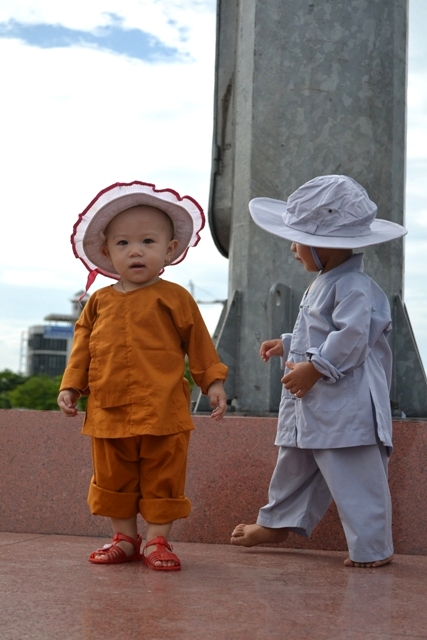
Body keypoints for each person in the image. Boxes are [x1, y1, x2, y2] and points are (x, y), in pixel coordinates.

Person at [230, 174, 407, 568]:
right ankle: (277, 522)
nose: (293, 248)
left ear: (327, 245)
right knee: (294, 464)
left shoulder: (355, 286)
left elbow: (353, 337)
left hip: (348, 409)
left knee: (356, 476)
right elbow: (320, 330)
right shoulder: (328, 281)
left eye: (297, 240)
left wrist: (316, 367)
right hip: (315, 404)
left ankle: (372, 547)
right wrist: (288, 344)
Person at [58, 181, 228, 571]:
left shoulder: (175, 297)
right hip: (108, 409)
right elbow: (81, 347)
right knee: (112, 477)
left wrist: (213, 382)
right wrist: (71, 385)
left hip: (163, 409)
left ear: (170, 249)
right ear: (106, 252)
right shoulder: (98, 302)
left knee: (163, 475)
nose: (135, 251)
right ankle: (124, 538)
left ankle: (156, 540)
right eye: (123, 243)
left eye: (148, 241)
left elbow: (199, 343)